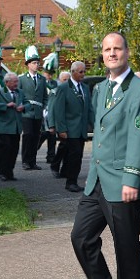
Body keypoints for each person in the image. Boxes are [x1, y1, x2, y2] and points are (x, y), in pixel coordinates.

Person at [71, 32, 140, 279]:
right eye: (107, 49)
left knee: (126, 249)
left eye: (117, 48)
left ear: (127, 52)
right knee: (81, 237)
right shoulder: (101, 88)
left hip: (122, 183)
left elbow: (139, 136)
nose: (112, 53)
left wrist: (132, 177)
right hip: (97, 180)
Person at [52, 62, 92, 192]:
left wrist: (96, 125)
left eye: (84, 71)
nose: (83, 74)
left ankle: (71, 179)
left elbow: (89, 109)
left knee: (77, 156)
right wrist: (61, 129)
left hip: (81, 129)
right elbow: (59, 110)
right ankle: (71, 182)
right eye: (81, 72)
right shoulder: (64, 88)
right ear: (73, 72)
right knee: (73, 155)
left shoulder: (85, 88)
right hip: (70, 129)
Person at [0, 73, 28, 181]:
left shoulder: (20, 92)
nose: (16, 84)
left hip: (16, 127)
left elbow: (28, 103)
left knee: (14, 151)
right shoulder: (0, 92)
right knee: (5, 150)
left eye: (17, 81)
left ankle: (10, 172)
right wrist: (5, 106)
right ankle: (2, 172)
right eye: (14, 82)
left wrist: (24, 107)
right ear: (7, 82)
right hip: (4, 127)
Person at [18, 46, 48, 171]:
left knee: (36, 136)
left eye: (37, 63)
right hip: (26, 112)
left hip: (38, 112)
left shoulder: (42, 79)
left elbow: (45, 96)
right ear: (28, 64)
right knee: (28, 135)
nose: (37, 65)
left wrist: (45, 108)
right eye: (34, 63)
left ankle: (33, 161)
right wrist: (21, 106)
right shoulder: (22, 79)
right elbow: (18, 95)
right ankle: (25, 161)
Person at [39, 52, 60, 164]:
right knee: (43, 134)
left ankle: (51, 156)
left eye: (51, 73)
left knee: (52, 135)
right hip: (43, 111)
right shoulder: (40, 82)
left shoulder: (55, 84)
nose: (50, 76)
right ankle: (32, 152)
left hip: (52, 112)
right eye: (48, 73)